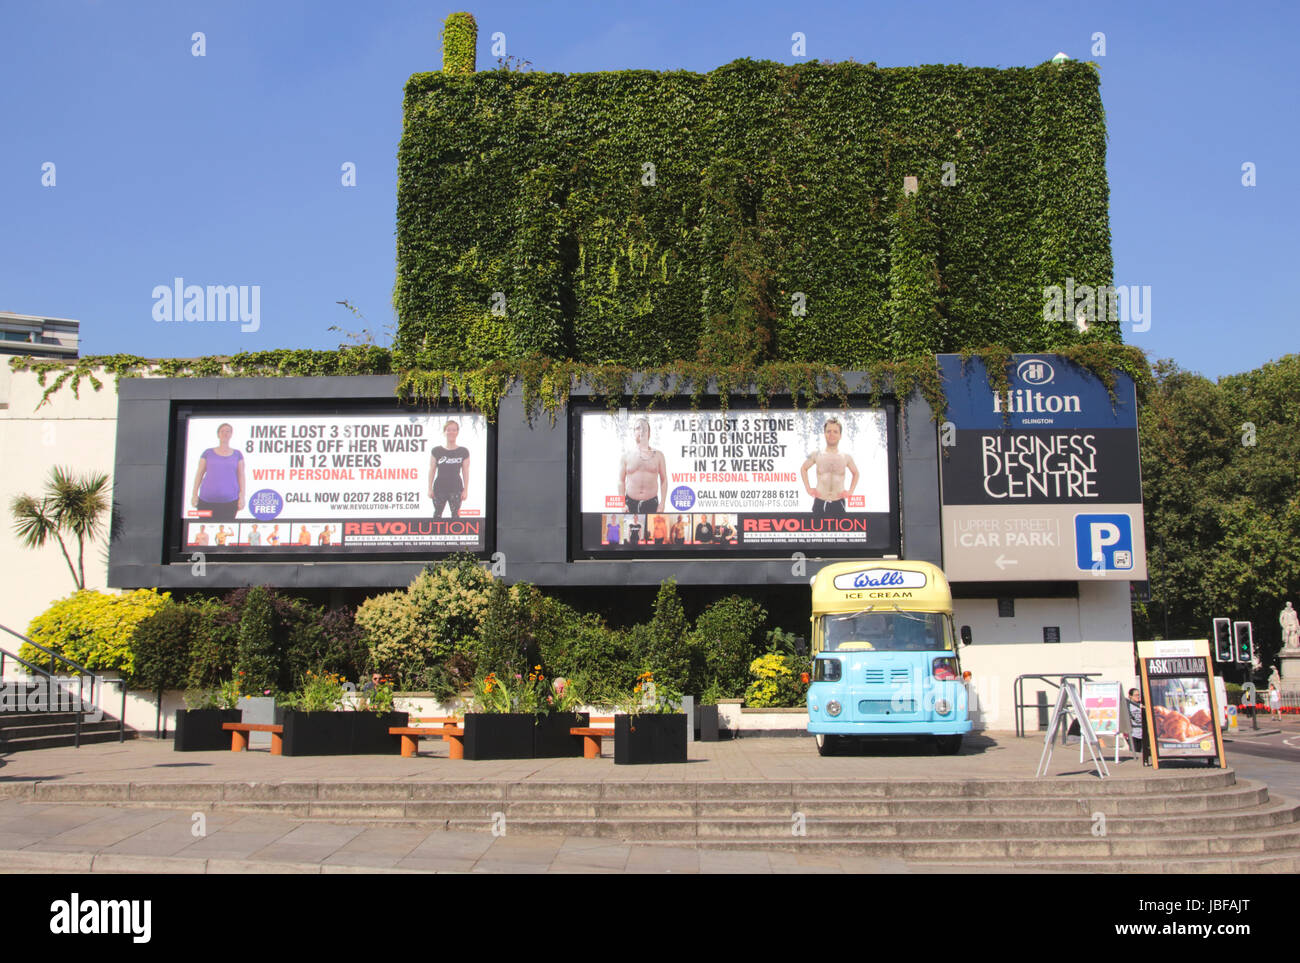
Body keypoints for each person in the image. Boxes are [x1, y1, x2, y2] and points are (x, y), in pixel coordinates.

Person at [800, 417, 859, 516]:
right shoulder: (816, 454)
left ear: (840, 435)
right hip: (820, 501)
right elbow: (803, 468)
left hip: (838, 502)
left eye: (835, 431)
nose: (831, 434)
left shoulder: (846, 457)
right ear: (824, 434)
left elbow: (856, 473)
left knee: (840, 531)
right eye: (828, 431)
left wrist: (850, 491)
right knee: (817, 530)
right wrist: (808, 489)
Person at [190, 423, 246, 522]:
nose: (225, 433)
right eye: (222, 431)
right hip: (206, 501)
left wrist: (242, 497)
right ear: (218, 434)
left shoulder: (237, 454)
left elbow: (241, 476)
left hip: (230, 502)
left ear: (231, 434)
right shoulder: (207, 453)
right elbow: (199, 474)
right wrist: (194, 495)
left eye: (228, 431)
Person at [618, 417, 667, 514]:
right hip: (630, 503)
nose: (641, 431)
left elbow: (664, 480)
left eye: (644, 429)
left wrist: (662, 503)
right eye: (638, 428)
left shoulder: (658, 455)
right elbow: (621, 481)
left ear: (649, 433)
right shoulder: (626, 456)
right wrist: (622, 503)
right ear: (633, 433)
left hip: (652, 503)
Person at [429, 420, 470, 519]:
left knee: (455, 515)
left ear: (457, 432)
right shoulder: (436, 450)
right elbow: (432, 469)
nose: (451, 432)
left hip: (456, 488)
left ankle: (456, 533)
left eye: (454, 430)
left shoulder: (463, 451)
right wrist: (430, 488)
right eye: (448, 430)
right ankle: (435, 533)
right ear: (444, 432)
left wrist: (465, 490)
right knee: (437, 514)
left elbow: (465, 471)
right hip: (439, 488)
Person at [1126, 688, 1145, 762]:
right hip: (1133, 733)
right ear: (1130, 696)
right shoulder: (1128, 705)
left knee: (1141, 755)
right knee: (1133, 753)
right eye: (1136, 695)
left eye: (1138, 695)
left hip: (1142, 732)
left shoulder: (1141, 704)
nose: (1138, 697)